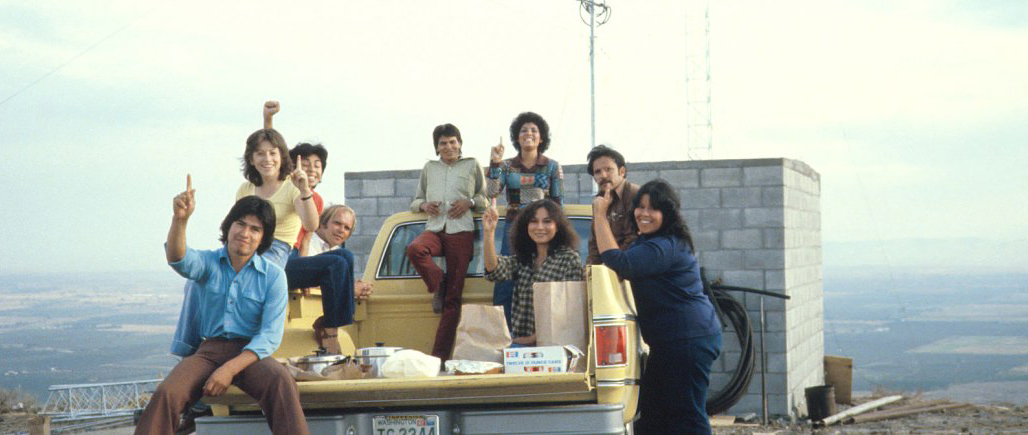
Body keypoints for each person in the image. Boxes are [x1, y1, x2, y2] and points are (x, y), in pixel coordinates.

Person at [136, 177, 309, 435]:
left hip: (251, 354)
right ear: (228, 227)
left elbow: (270, 336)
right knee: (167, 393)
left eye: (255, 229)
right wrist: (180, 220)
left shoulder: (273, 276)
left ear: (263, 238)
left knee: (281, 381)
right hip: (209, 351)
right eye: (240, 224)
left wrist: (228, 370)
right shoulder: (208, 262)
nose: (245, 233)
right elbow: (177, 258)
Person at [593, 179, 722, 434]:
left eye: (653, 209)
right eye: (640, 207)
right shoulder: (651, 242)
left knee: (687, 415)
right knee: (651, 416)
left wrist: (599, 214)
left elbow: (618, 261)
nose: (644, 214)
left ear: (668, 213)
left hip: (687, 338)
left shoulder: (665, 245)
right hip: (671, 342)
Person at [405, 123, 487, 361]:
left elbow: (484, 198)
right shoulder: (430, 168)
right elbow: (416, 199)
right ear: (437, 147)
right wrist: (424, 205)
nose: (449, 147)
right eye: (443, 143)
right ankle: (438, 282)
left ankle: (438, 358)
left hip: (461, 232)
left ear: (460, 143)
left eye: (453, 142)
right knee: (415, 248)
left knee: (453, 300)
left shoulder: (472, 165)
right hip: (435, 228)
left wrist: (469, 202)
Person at [486, 111, 564, 325]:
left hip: (543, 229)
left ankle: (543, 331)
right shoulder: (506, 166)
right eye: (523, 130)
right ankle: (504, 335)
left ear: (541, 137)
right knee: (506, 281)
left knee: (541, 281)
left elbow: (558, 204)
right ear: (516, 137)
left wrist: (558, 234)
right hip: (514, 227)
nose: (528, 133)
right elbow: (491, 192)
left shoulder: (552, 166)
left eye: (533, 130)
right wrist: (494, 162)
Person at [482, 199, 581, 346]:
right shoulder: (524, 258)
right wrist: (489, 232)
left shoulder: (569, 259)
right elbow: (494, 269)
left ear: (558, 226)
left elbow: (570, 311)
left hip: (554, 343)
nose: (540, 227)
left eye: (547, 221)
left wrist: (533, 338)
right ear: (526, 226)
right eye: (534, 221)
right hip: (521, 341)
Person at [284, 204, 372, 354]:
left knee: (346, 256)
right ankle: (330, 336)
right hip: (282, 270)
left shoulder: (336, 251)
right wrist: (350, 289)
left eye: (346, 228)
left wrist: (351, 286)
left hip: (323, 265)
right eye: (337, 223)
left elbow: (333, 280)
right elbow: (320, 276)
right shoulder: (311, 237)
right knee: (336, 262)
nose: (341, 230)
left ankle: (328, 323)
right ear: (323, 223)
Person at [236, 126, 319, 268]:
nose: (267, 159)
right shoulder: (245, 189)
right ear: (251, 159)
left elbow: (311, 225)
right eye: (260, 154)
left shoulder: (292, 186)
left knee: (251, 273)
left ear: (281, 156)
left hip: (276, 249)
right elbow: (236, 225)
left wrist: (305, 190)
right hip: (246, 244)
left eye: (272, 153)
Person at [263, 100, 329, 257]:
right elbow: (272, 149)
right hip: (276, 248)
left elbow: (306, 238)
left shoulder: (317, 200)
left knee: (341, 257)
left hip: (296, 253)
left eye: (317, 165)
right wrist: (268, 120)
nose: (312, 169)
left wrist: (303, 270)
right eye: (305, 164)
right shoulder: (285, 185)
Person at [585, 144, 640, 265]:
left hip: (630, 269)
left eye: (608, 169)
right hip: (608, 271)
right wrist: (590, 272)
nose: (603, 176)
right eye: (597, 172)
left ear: (622, 171)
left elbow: (634, 239)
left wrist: (610, 266)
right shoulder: (599, 200)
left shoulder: (635, 195)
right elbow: (594, 244)